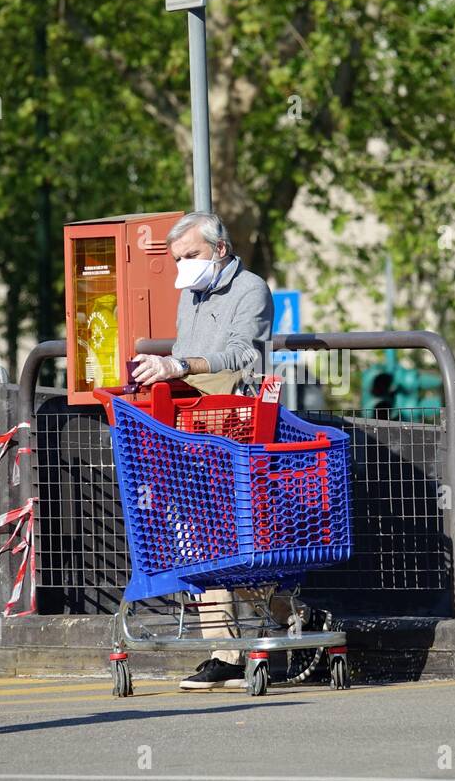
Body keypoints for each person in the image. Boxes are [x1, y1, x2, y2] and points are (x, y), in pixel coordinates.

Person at [129, 211, 319, 690]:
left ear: (219, 249)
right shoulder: (191, 295)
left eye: (190, 256)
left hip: (238, 427)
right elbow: (186, 361)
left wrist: (179, 363)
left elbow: (243, 355)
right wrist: (167, 370)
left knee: (235, 540)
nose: (183, 269)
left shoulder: (250, 288)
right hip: (195, 426)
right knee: (201, 535)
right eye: (176, 260)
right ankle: (230, 651)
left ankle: (285, 619)